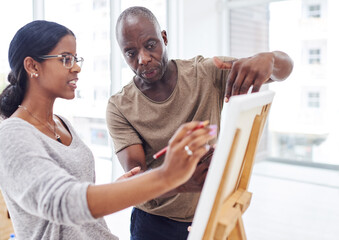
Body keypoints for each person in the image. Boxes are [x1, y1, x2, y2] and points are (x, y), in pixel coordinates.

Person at [0, 20, 215, 240]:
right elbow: (66, 203)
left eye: (76, 59)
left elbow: (81, 207)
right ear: (32, 66)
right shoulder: (11, 136)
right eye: (66, 59)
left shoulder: (62, 124)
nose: (76, 67)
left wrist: (118, 188)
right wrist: (166, 176)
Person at [106, 6, 294, 240]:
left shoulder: (204, 73)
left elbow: (284, 70)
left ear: (164, 38)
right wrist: (180, 179)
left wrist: (269, 59)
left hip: (209, 213)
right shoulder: (119, 106)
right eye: (130, 53)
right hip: (153, 224)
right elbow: (137, 179)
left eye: (150, 45)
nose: (143, 59)